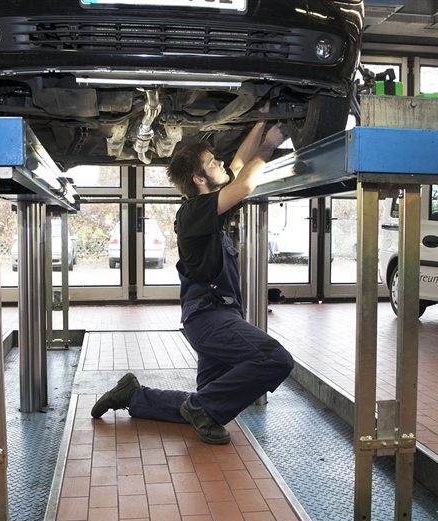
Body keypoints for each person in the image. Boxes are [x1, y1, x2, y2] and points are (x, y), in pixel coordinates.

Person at [92, 115, 294, 445]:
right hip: (210, 319)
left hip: (216, 316)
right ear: (200, 179)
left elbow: (239, 167)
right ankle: (199, 407)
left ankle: (134, 395)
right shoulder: (194, 212)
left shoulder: (208, 207)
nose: (222, 162)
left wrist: (260, 121)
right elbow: (244, 184)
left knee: (208, 403)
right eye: (214, 162)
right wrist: (272, 142)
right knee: (276, 360)